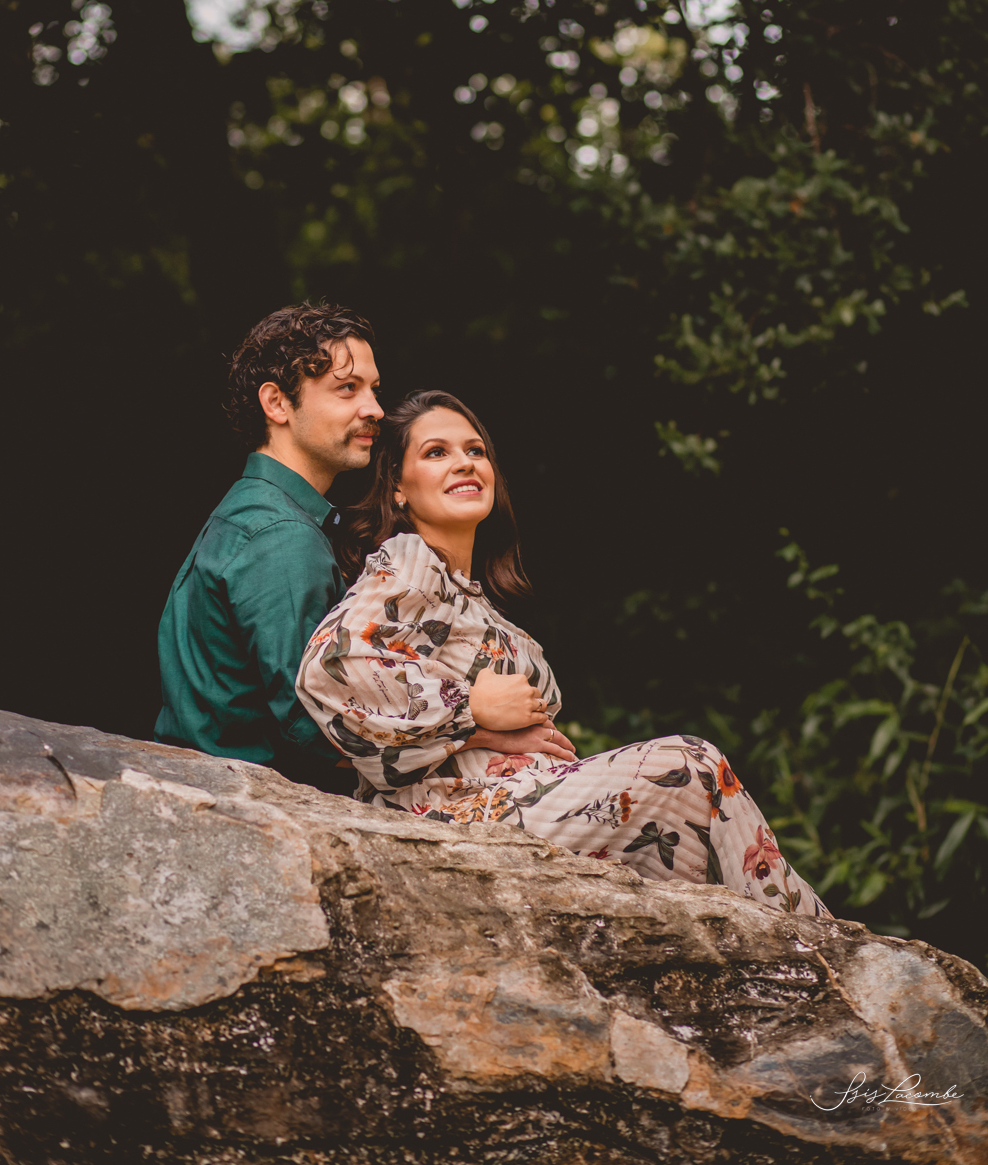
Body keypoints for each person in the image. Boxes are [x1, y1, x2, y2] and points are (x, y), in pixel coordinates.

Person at [296, 390, 831, 916]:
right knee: (690, 765)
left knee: (682, 844)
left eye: (475, 450)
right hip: (454, 817)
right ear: (397, 487)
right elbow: (333, 665)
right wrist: (472, 710)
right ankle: (821, 942)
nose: (464, 462)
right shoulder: (410, 561)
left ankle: (783, 945)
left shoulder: (474, 598)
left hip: (525, 806)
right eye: (437, 452)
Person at [155, 301, 382, 792]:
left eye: (373, 389)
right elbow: (314, 723)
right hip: (247, 809)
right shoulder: (280, 536)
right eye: (347, 388)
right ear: (277, 403)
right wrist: (466, 735)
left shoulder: (253, 514)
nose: (374, 409)